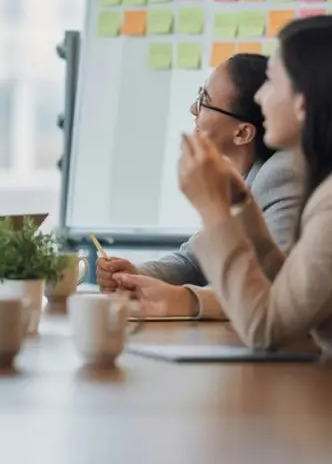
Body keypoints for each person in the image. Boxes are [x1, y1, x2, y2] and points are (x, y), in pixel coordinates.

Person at [175, 15, 332, 374]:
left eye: (271, 82)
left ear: (304, 102)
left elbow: (266, 327)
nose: (260, 97)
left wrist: (212, 208)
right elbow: (289, 292)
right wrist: (240, 204)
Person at [97, 53, 304, 318]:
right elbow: (195, 260)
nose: (193, 109)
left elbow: (271, 286)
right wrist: (135, 274)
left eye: (205, 101)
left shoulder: (281, 174)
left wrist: (187, 299)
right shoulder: (250, 173)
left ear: (242, 133)